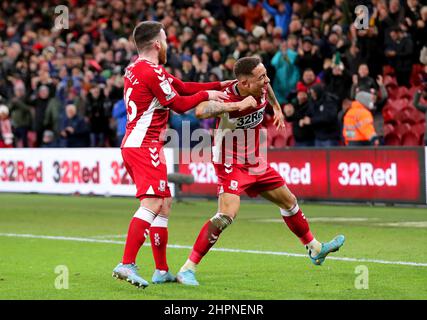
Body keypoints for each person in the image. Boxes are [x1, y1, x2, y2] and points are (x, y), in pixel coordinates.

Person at [176, 57, 345, 286]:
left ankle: (314, 249)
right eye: (261, 77)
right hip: (230, 162)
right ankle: (187, 269)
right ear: (244, 83)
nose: (266, 80)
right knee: (227, 215)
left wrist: (276, 107)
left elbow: (268, 89)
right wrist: (235, 106)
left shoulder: (262, 87)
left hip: (255, 161)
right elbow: (201, 111)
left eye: (265, 75)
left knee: (289, 202)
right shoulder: (227, 94)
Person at [112, 21, 231, 288]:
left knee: (164, 203)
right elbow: (178, 104)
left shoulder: (137, 68)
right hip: (144, 145)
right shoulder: (151, 72)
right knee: (153, 203)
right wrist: (207, 95)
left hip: (140, 144)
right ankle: (127, 263)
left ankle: (161, 270)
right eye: (165, 40)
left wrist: (221, 85)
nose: (168, 45)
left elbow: (183, 86)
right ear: (157, 44)